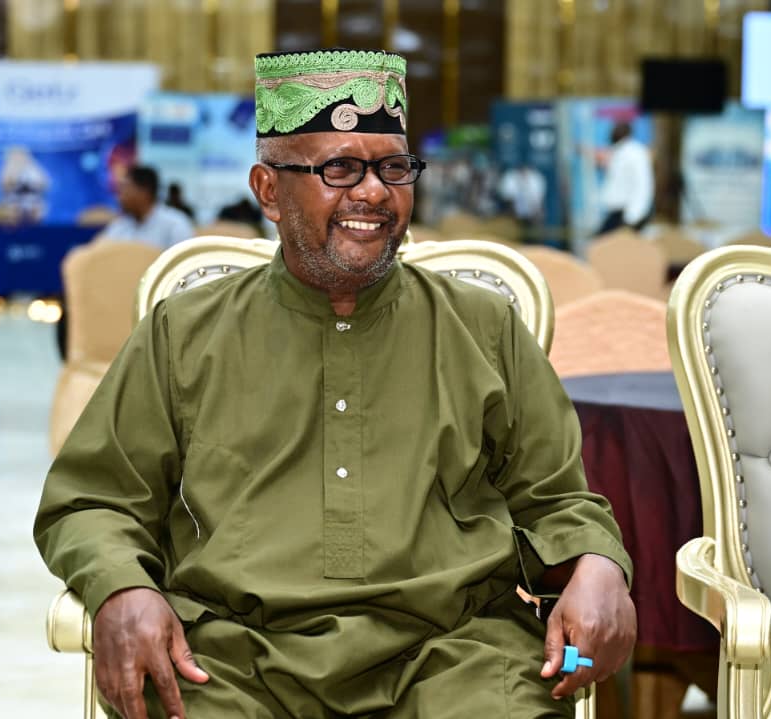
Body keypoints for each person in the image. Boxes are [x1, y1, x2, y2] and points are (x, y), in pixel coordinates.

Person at [35, 49, 635, 719]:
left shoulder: (484, 326)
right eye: (340, 168)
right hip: (233, 661)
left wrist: (598, 564)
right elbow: (91, 501)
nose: (374, 192)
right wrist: (123, 589)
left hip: (451, 657)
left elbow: (558, 498)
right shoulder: (184, 332)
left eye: (393, 168)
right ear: (268, 190)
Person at [102, 165, 194, 249]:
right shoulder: (120, 226)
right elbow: (101, 253)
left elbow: (183, 260)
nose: (120, 198)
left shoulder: (175, 225)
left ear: (144, 192)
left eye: (125, 189)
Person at [596, 121, 654, 235]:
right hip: (618, 212)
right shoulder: (618, 152)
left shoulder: (635, 153)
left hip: (628, 213)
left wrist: (633, 216)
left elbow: (643, 185)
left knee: (604, 241)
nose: (613, 132)